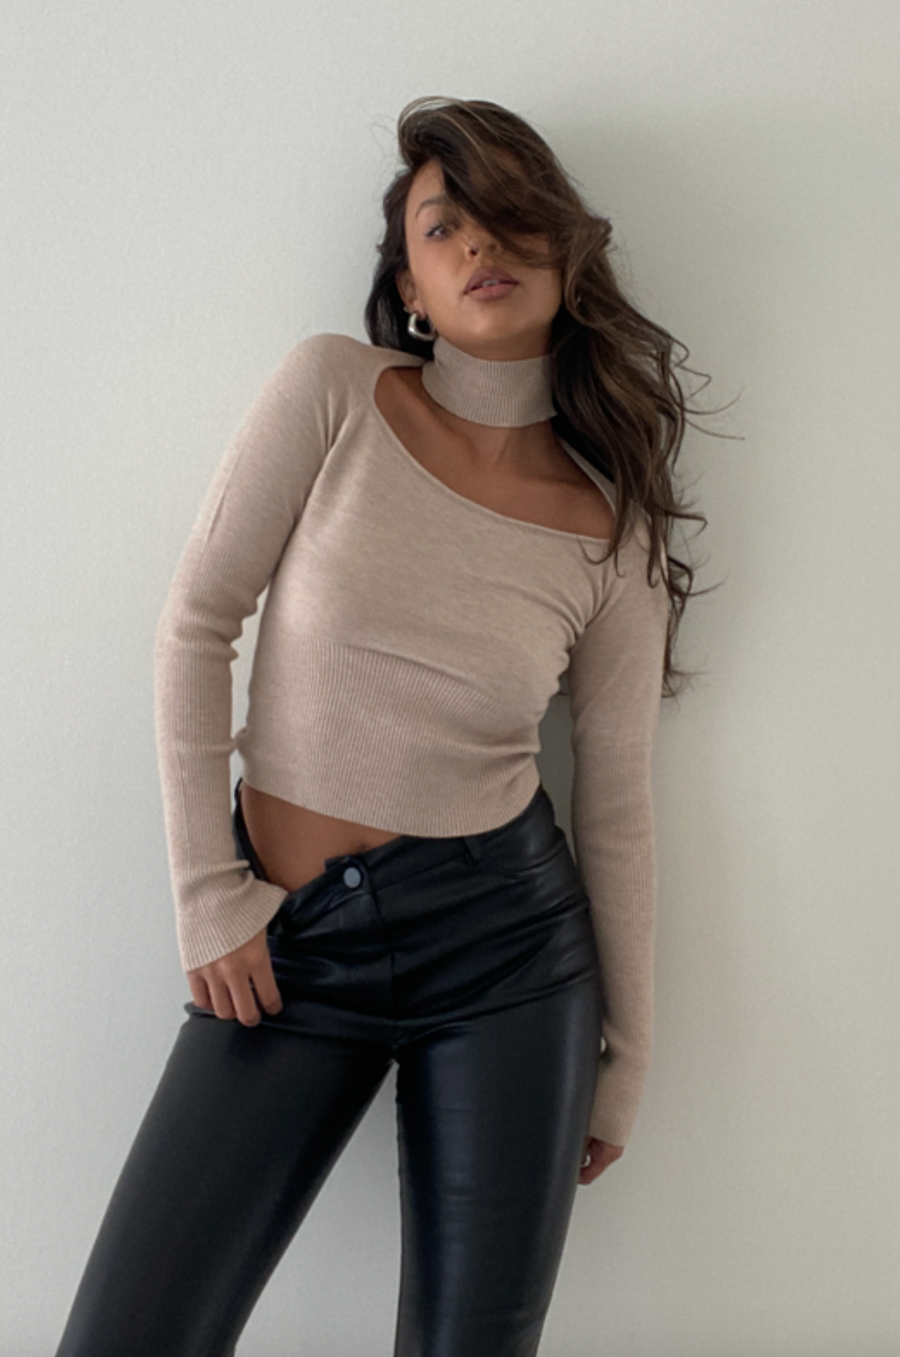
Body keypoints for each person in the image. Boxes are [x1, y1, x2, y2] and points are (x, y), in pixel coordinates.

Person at [54, 95, 706, 1357]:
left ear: (567, 252)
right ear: (408, 283)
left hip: (507, 953)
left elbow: (617, 797)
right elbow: (196, 625)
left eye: (506, 214)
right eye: (442, 225)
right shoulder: (335, 392)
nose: (479, 243)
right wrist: (206, 893)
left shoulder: (612, 533)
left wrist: (625, 1055)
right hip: (286, 945)